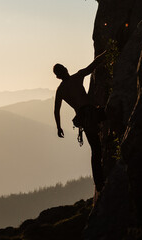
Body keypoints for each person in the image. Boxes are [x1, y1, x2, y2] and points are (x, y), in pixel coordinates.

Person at [53, 51, 106, 192]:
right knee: (96, 148)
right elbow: (92, 66)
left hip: (84, 117)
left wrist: (59, 127)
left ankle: (99, 182)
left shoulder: (61, 90)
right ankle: (99, 182)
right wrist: (107, 52)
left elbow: (56, 110)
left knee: (95, 149)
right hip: (90, 113)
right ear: (64, 71)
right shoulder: (76, 78)